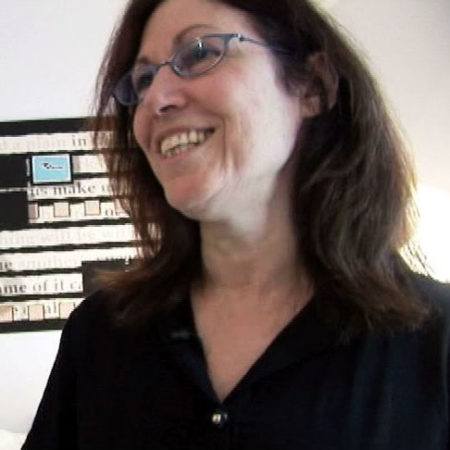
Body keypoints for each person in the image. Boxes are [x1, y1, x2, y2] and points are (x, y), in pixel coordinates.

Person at [23, 0, 450, 449]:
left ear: (313, 86)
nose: (156, 100)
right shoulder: (100, 334)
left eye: (200, 53)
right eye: (143, 80)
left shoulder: (434, 340)